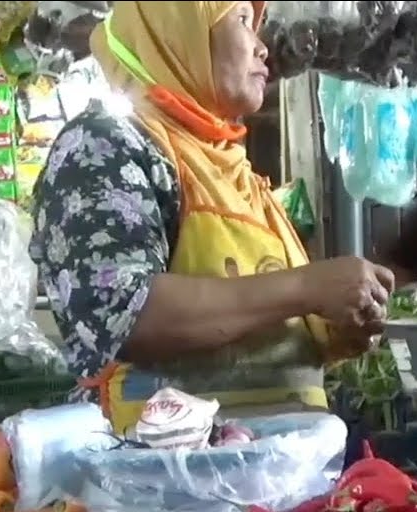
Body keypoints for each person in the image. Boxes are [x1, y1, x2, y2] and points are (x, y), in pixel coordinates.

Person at [29, 1, 395, 433]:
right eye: (242, 21)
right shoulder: (103, 145)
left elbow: (259, 314)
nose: (263, 48)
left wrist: (332, 330)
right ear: (177, 32)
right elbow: (124, 312)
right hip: (163, 482)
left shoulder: (235, 172)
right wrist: (307, 287)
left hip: (277, 474)